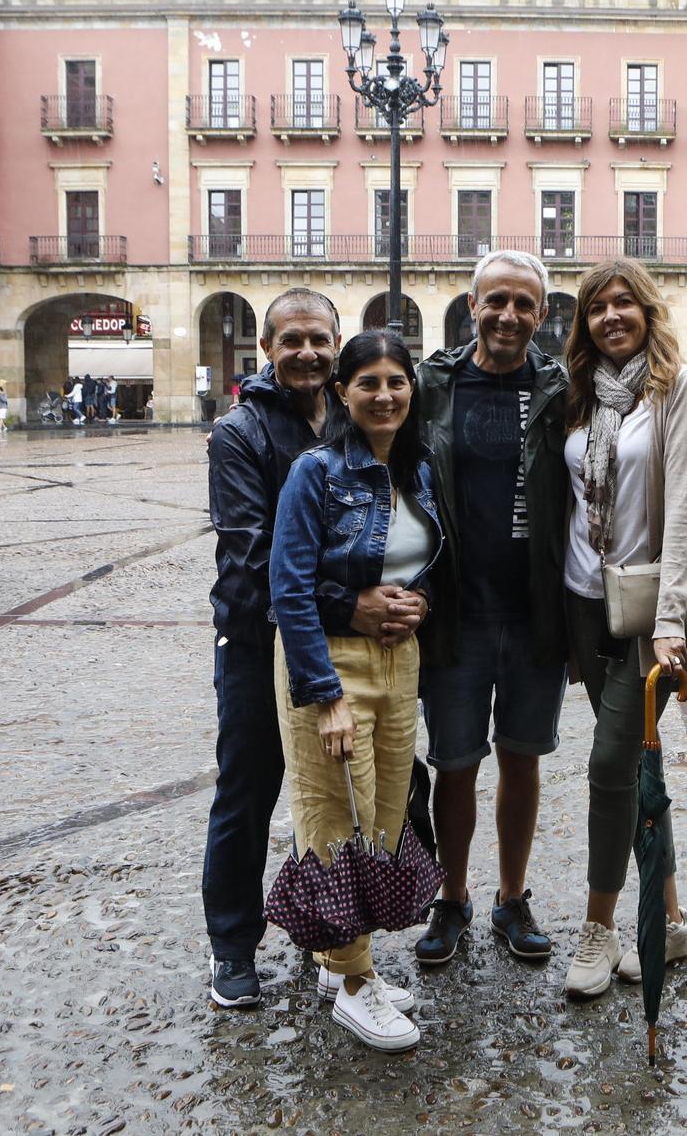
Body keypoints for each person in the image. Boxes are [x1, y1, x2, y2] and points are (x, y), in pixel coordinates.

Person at [270, 329, 440, 1052]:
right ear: (341, 392)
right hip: (331, 663)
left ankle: (340, 960)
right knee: (334, 814)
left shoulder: (416, 469)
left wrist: (420, 601)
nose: (384, 393)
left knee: (381, 817)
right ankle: (353, 981)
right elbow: (288, 585)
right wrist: (325, 694)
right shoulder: (315, 471)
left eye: (396, 380)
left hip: (401, 664)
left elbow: (421, 561)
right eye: (367, 381)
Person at [412, 250, 571, 969]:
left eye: (524, 304)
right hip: (456, 609)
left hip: (536, 607)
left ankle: (511, 895)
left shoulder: (560, 388)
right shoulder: (433, 386)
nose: (509, 315)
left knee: (522, 757)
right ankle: (452, 896)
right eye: (495, 301)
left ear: (541, 315)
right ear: (470, 305)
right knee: (454, 761)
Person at [559, 257, 687, 999]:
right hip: (583, 603)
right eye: (597, 307)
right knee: (636, 770)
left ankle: (600, 925)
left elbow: (682, 512)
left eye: (625, 303)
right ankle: (674, 919)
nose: (612, 315)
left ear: (649, 312)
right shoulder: (578, 395)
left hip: (645, 610)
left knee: (608, 765)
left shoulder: (678, 390)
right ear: (584, 322)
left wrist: (672, 622)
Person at [202, 288, 341, 1011]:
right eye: (292, 340)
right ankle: (232, 944)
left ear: (336, 342)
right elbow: (252, 551)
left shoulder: (350, 417)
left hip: (336, 642)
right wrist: (347, 597)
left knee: (330, 794)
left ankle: (325, 928)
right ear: (268, 348)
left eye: (318, 339)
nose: (307, 352)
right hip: (258, 639)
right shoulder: (240, 433)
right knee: (247, 790)